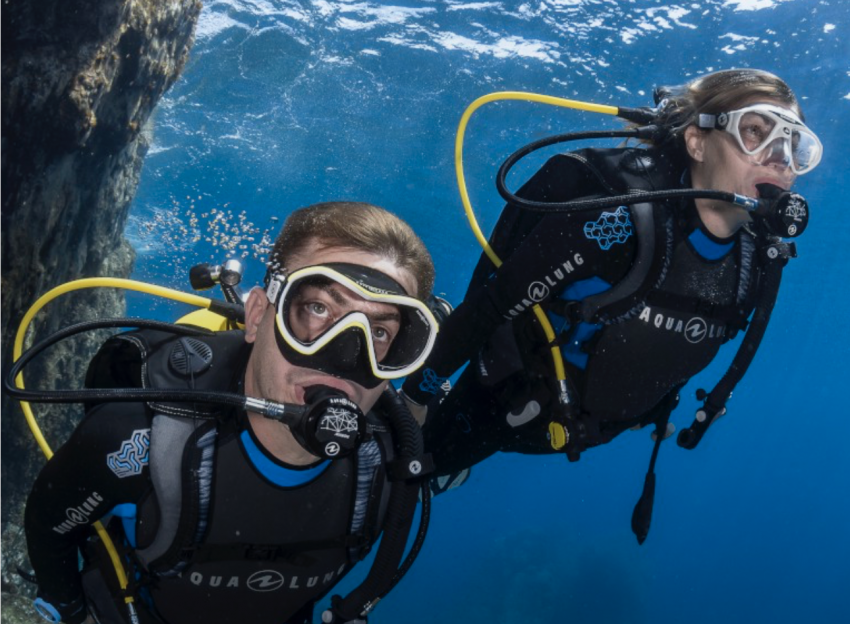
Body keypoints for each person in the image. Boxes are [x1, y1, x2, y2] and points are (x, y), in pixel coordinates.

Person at [401, 68, 822, 540]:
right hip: (503, 407)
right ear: (697, 142)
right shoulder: (619, 222)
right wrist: (416, 395)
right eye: (755, 132)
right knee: (402, 479)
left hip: (595, 427)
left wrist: (654, 407)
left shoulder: (760, 258)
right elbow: (493, 303)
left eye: (795, 146)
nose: (780, 159)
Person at [23, 201, 439, 624]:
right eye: (317, 309)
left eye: (380, 332)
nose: (346, 358)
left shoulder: (394, 467)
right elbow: (47, 522)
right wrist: (69, 610)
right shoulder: (143, 433)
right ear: (257, 315)